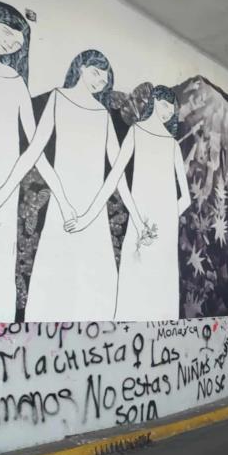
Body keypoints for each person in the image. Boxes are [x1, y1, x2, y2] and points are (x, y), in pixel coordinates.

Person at [0, 0, 74, 322]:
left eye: (17, 41)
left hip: (1, 199)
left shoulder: (14, 82)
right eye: (6, 32)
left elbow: (34, 148)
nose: (10, 43)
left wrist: (62, 196)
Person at [66, 85, 190, 320]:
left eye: (171, 110)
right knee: (134, 286)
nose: (167, 113)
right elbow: (115, 176)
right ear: (153, 100)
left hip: (163, 228)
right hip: (139, 221)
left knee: (160, 290)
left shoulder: (172, 144)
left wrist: (164, 221)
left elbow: (185, 197)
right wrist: (87, 218)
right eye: (164, 105)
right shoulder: (136, 132)